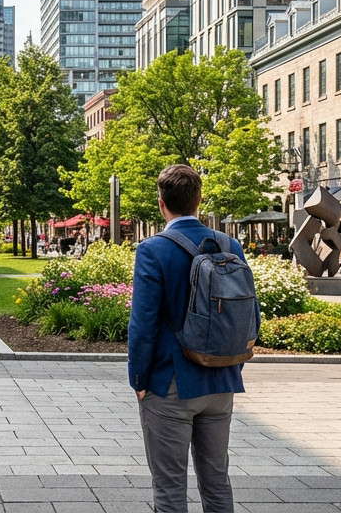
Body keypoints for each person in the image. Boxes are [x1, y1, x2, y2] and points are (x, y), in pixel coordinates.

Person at [128, 164, 258, 513]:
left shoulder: (153, 249)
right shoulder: (230, 244)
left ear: (161, 204)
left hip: (170, 382)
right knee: (217, 482)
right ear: (199, 200)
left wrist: (139, 380)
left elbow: (142, 324)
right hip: (221, 379)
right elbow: (249, 313)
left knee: (170, 488)